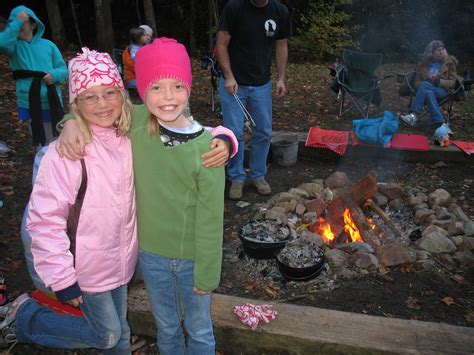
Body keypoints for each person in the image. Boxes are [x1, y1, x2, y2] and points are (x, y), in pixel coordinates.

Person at [0, 48, 138, 353]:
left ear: (122, 94)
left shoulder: (128, 139)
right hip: (84, 267)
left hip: (120, 261)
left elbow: (177, 123)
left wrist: (223, 137)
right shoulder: (64, 154)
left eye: (109, 92)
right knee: (107, 335)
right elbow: (44, 221)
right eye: (89, 96)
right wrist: (62, 279)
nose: (102, 104)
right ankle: (24, 320)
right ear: (75, 103)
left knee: (120, 329)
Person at [216, 0, 292, 200]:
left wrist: (281, 78)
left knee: (264, 132)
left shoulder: (279, 11)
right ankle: (237, 178)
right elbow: (221, 44)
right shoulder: (234, 8)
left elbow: (282, 45)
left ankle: (258, 175)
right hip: (234, 83)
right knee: (234, 133)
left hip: (261, 84)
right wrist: (229, 75)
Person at [0, 6, 68, 150]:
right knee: (41, 141)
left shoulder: (49, 46)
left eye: (22, 22)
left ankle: (59, 167)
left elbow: (63, 69)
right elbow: (2, 42)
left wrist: (54, 75)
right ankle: (43, 167)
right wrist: (17, 22)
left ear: (33, 24)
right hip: (30, 102)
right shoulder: (13, 48)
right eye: (13, 23)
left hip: (52, 100)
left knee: (57, 139)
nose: (17, 26)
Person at [400, 40, 460, 134]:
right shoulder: (423, 64)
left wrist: (438, 82)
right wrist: (427, 82)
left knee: (425, 85)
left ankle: (414, 115)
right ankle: (441, 124)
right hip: (425, 91)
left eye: (442, 49)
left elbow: (452, 82)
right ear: (432, 53)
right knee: (428, 92)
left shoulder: (449, 63)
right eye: (438, 50)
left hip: (443, 90)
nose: (441, 52)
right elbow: (416, 83)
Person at [122, 27, 148, 100]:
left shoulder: (138, 47)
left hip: (135, 78)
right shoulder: (134, 48)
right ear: (138, 38)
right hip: (133, 79)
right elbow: (136, 60)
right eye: (144, 35)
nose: (147, 37)